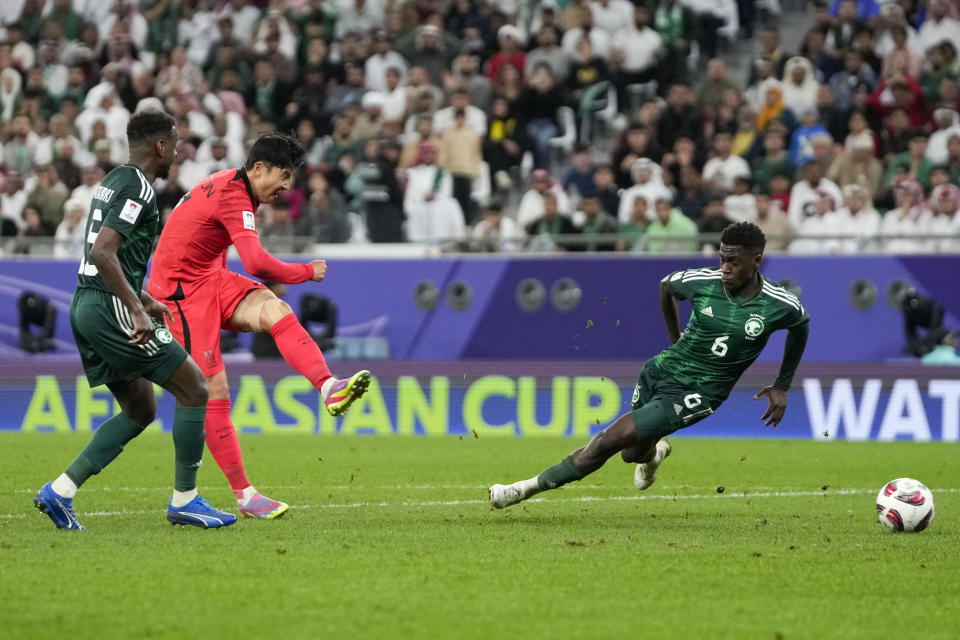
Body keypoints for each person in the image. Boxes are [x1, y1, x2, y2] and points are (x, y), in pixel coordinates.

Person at [490, 222, 810, 509]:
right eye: (722, 259)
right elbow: (666, 286)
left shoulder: (778, 304)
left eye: (734, 262)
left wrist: (782, 384)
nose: (725, 268)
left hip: (698, 393)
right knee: (632, 454)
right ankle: (656, 454)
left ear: (756, 261)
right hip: (660, 370)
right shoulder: (703, 282)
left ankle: (520, 490)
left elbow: (800, 328)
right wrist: (675, 338)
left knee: (606, 442)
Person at [147, 134, 372, 520]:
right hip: (179, 293)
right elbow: (255, 263)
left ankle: (329, 387)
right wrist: (307, 271)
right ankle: (244, 495)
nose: (285, 187)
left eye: (290, 179)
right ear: (258, 169)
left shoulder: (236, 188)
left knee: (275, 309)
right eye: (282, 177)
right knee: (211, 388)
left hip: (210, 278)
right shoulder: (234, 193)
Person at [34, 110, 236, 530]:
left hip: (90, 301)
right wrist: (138, 308)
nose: (178, 150)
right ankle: (186, 500)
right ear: (160, 146)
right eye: (176, 142)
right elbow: (102, 253)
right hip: (111, 310)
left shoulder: (113, 180)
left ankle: (60, 491)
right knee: (196, 388)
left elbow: (106, 258)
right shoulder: (138, 188)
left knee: (140, 407)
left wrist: (142, 296)